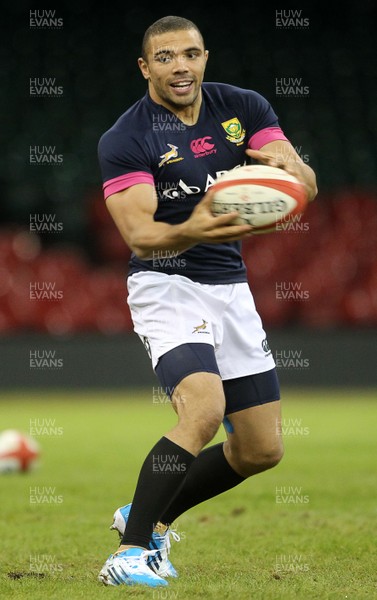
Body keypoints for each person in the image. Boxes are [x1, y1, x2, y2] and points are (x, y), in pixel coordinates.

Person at [97, 15, 317, 588]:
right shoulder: (126, 138)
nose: (181, 67)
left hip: (230, 287)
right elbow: (141, 235)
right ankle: (128, 552)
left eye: (190, 54)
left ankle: (149, 515)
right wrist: (198, 224)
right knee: (203, 409)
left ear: (205, 57)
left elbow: (303, 186)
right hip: (164, 282)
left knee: (261, 449)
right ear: (146, 67)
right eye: (166, 57)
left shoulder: (242, 107)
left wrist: (290, 174)